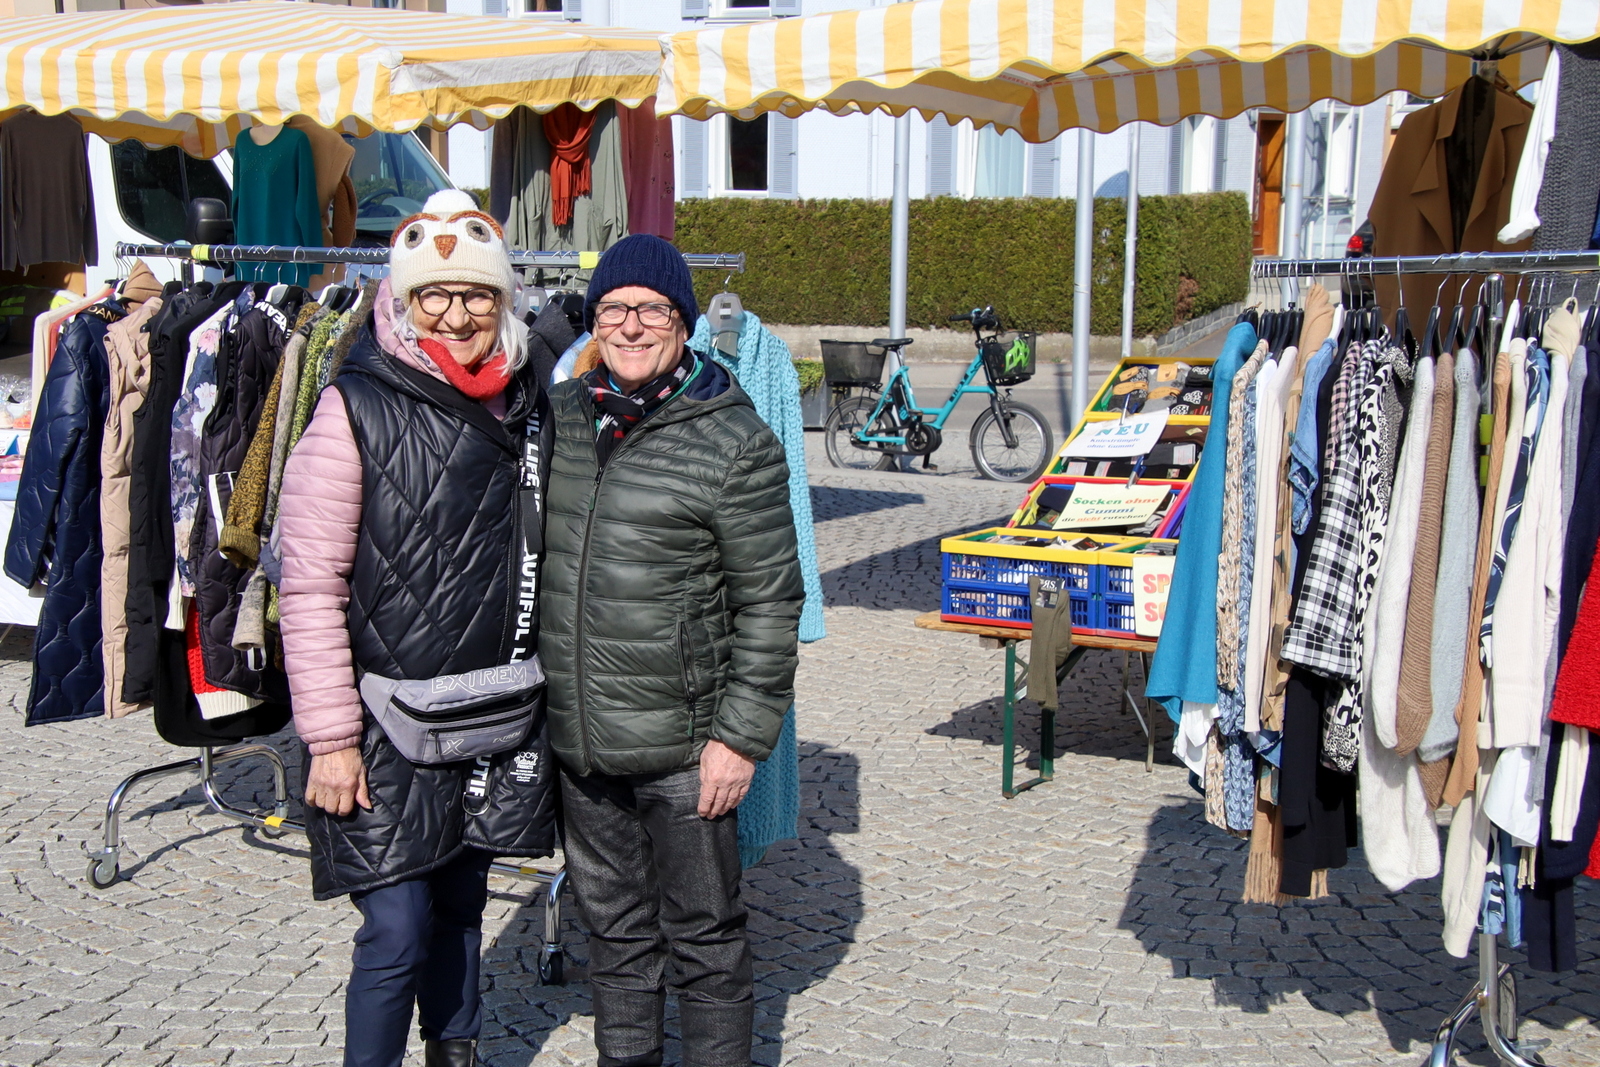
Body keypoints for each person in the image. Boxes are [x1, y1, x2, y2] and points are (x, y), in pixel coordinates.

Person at [277, 190, 557, 1067]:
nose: (456, 314)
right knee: (396, 925)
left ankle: (456, 1051)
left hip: (492, 709)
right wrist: (330, 740)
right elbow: (308, 585)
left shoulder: (530, 403)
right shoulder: (352, 407)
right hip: (381, 721)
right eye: (435, 294)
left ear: (504, 299)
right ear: (402, 299)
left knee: (462, 907)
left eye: (476, 294)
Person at [541, 233, 804, 1067]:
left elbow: (771, 601)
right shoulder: (563, 419)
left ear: (683, 324)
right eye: (614, 308)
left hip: (685, 748)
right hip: (583, 741)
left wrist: (740, 739)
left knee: (705, 939)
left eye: (651, 310)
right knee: (614, 935)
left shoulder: (733, 437)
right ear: (593, 321)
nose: (630, 325)